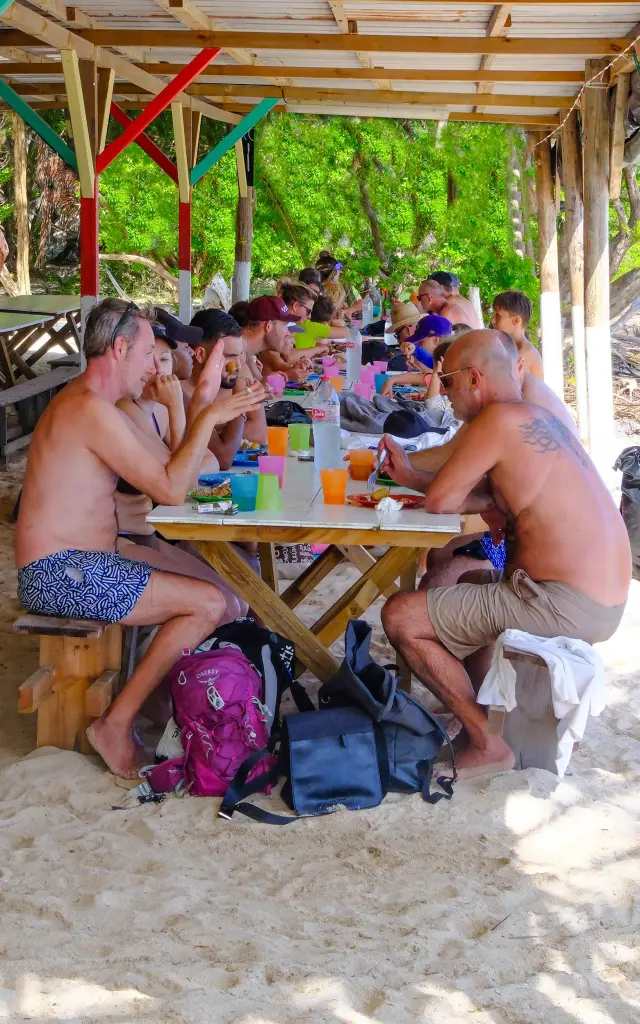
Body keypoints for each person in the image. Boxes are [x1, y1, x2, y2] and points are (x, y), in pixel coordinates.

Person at [15, 297, 266, 779]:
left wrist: (205, 408)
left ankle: (153, 707)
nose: (155, 366)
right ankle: (115, 723)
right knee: (207, 604)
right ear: (119, 348)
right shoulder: (89, 408)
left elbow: (176, 479)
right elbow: (171, 489)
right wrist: (207, 416)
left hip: (89, 560)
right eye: (149, 352)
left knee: (221, 596)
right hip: (58, 573)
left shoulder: (94, 404)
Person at [380, 330, 631, 780]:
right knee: (467, 583)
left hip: (561, 601)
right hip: (601, 599)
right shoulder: (541, 415)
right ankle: (489, 713)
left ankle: (488, 742)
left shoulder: (497, 419)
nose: (444, 392)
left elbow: (442, 500)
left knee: (401, 616)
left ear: (475, 378)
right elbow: (490, 498)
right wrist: (412, 476)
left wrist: (417, 480)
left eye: (448, 381)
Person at [183, 307, 267, 467]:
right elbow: (223, 457)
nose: (238, 365)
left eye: (239, 355)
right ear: (200, 354)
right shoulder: (180, 391)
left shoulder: (237, 371)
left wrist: (217, 428)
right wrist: (240, 405)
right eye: (229, 356)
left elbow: (259, 433)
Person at [230, 294, 302, 382]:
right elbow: (246, 389)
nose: (287, 333)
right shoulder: (235, 354)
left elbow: (257, 386)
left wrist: (265, 382)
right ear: (268, 326)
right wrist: (286, 376)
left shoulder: (246, 353)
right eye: (285, 325)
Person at [491, 290, 543, 380]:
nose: (492, 320)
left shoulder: (523, 354)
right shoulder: (510, 348)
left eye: (498, 316)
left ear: (516, 320)